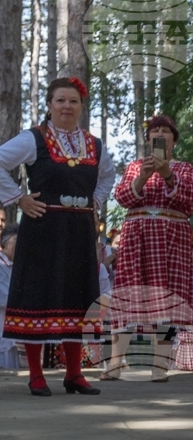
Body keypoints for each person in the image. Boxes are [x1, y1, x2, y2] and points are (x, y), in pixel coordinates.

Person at [0, 77, 115, 396]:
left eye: (73, 101)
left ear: (81, 106)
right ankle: (35, 374)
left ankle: (74, 374)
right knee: (36, 294)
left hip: (79, 230)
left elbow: (107, 175)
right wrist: (18, 198)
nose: (67, 106)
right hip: (42, 227)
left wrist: (95, 201)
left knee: (77, 295)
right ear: (49, 106)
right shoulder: (33, 139)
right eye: (60, 100)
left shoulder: (94, 145)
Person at [104, 115, 193, 382]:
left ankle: (160, 363)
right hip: (138, 236)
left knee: (169, 298)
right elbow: (122, 197)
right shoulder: (136, 167)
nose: (159, 133)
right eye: (154, 130)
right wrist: (144, 177)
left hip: (172, 236)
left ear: (173, 139)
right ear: (148, 140)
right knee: (127, 295)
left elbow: (190, 197)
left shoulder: (184, 169)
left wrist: (167, 173)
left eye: (165, 130)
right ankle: (115, 362)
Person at [0, 230, 17, 368]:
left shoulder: (18, 266)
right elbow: (5, 297)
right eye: (16, 240)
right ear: (4, 244)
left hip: (13, 335)